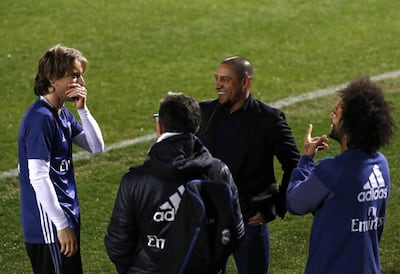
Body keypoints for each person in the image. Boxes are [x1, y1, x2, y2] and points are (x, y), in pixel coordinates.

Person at [104, 92, 244, 273]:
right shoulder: (218, 171)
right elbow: (236, 233)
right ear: (196, 125)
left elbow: (118, 243)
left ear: (160, 126)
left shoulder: (135, 180)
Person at [197, 56, 300, 274]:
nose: (217, 85)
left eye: (225, 80)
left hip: (250, 222)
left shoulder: (269, 119)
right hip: (210, 223)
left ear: (245, 82)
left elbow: (294, 164)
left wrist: (276, 206)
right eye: (217, 79)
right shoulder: (204, 113)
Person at [286, 77, 396, 273]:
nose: (331, 116)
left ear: (349, 124)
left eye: (336, 113)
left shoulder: (332, 171)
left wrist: (306, 160)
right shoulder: (381, 165)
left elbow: (295, 202)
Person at [18, 44, 104, 274]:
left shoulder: (61, 113)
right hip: (49, 227)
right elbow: (38, 177)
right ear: (52, 78)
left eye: (81, 76)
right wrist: (61, 225)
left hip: (64, 219)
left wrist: (83, 110)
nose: (81, 83)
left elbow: (96, 147)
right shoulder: (40, 119)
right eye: (74, 76)